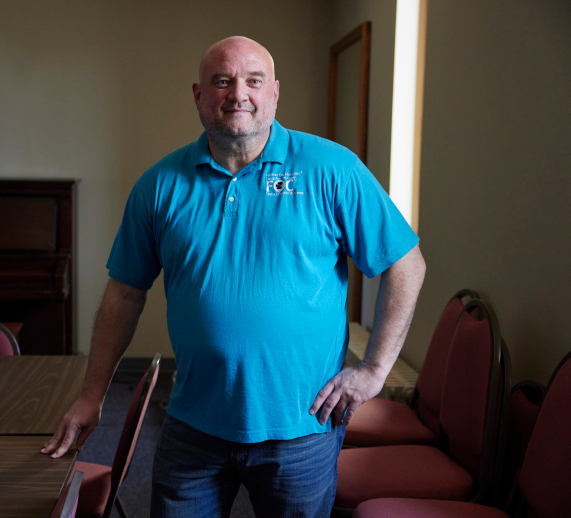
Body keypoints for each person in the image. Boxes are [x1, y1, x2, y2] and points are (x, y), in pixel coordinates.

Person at [42, 36, 426, 517]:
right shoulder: (159, 185)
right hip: (193, 426)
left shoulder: (332, 169)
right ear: (199, 95)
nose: (237, 93)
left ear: (275, 93)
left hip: (302, 428)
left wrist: (373, 371)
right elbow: (123, 295)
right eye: (222, 81)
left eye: (253, 81)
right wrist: (92, 395)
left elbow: (405, 263)